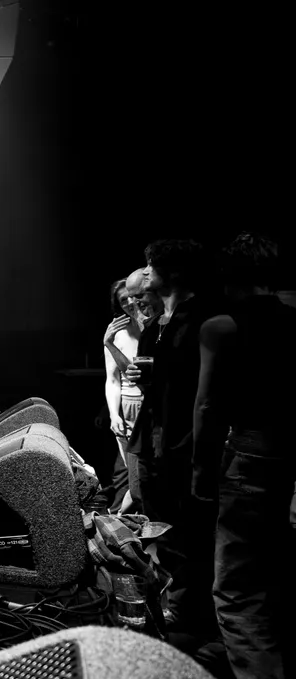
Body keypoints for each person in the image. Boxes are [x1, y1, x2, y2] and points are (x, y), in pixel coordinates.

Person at [192, 233, 295, 679]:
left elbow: (207, 406)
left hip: (249, 454)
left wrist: (200, 472)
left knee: (235, 587)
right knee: (276, 569)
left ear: (225, 276)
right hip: (289, 452)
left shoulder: (220, 327)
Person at [125, 239, 220, 639]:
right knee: (160, 527)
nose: (146, 272)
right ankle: (172, 601)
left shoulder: (200, 319)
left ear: (175, 272)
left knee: (187, 532)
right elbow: (160, 385)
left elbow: (204, 393)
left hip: (181, 444)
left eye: (151, 265)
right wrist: (142, 379)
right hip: (152, 440)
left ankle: (190, 612)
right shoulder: (155, 326)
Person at [102, 275, 147, 513]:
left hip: (151, 402)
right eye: (123, 300)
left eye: (133, 296)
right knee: (134, 476)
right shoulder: (116, 332)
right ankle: (120, 520)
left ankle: (120, 518)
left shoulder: (157, 325)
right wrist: (113, 414)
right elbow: (113, 380)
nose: (129, 302)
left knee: (143, 478)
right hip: (129, 405)